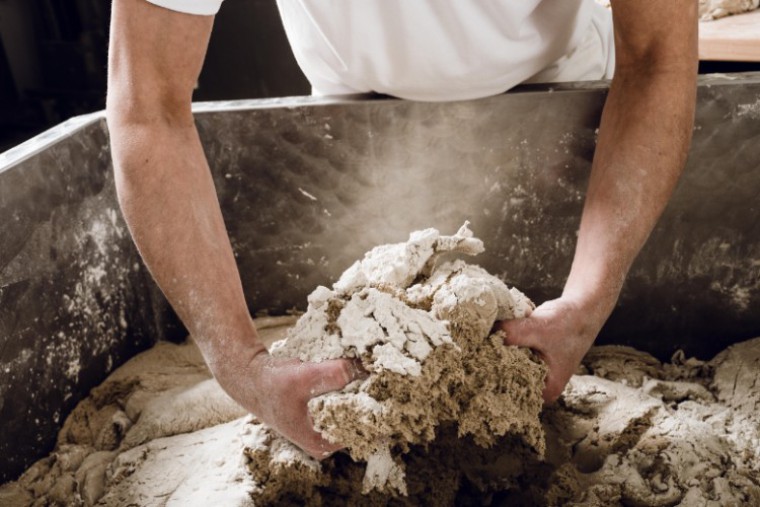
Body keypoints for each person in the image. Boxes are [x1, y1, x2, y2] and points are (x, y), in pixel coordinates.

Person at [106, 0, 698, 459]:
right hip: (351, 104)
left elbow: (657, 56)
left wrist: (588, 299)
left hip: (564, 88)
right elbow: (147, 102)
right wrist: (240, 364)